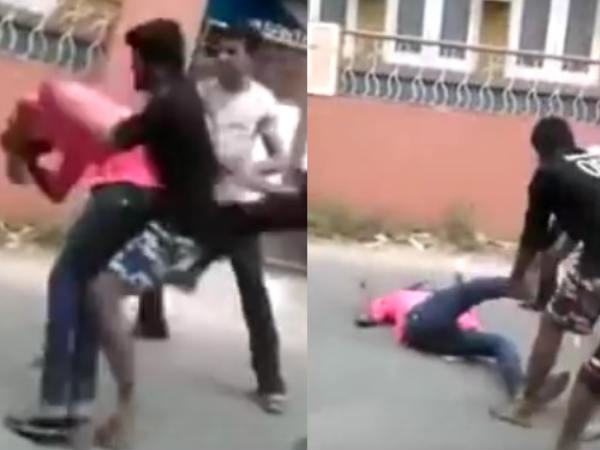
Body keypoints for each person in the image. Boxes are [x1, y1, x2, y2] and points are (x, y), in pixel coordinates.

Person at [3, 76, 162, 441]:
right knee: (87, 289)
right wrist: (33, 161)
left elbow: (111, 127)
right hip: (143, 195)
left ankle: (53, 406)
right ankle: (78, 404)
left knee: (64, 280)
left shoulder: (50, 93)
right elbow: (57, 190)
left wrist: (18, 143)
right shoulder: (74, 136)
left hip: (124, 191)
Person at [190, 25, 293, 414]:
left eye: (232, 51)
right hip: (202, 205)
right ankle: (149, 321)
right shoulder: (202, 94)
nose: (222, 58)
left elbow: (281, 158)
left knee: (254, 294)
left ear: (251, 58)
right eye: (219, 50)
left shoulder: (262, 101)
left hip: (241, 211)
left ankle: (271, 383)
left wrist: (249, 169)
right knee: (160, 264)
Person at [488, 117, 600, 450]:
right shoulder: (591, 162)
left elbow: (533, 236)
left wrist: (516, 279)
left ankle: (526, 406)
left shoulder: (549, 175)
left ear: (538, 151)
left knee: (554, 324)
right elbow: (566, 233)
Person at [358, 276, 530, 399]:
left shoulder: (435, 300)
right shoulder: (403, 295)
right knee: (467, 290)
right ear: (416, 288)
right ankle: (518, 287)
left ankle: (518, 391)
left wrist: (370, 318)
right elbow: (374, 313)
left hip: (424, 336)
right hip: (422, 321)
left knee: (499, 343)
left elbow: (373, 316)